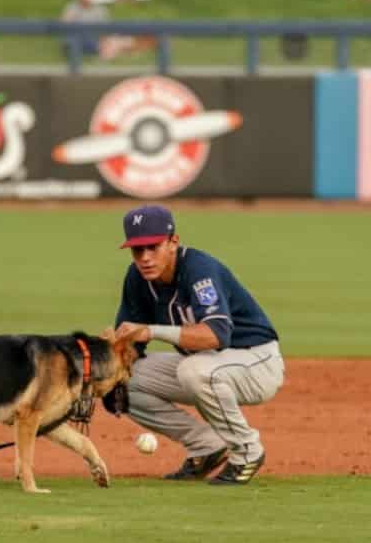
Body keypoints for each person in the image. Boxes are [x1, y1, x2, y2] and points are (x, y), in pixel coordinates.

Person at [109, 204, 285, 485]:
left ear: (173, 242)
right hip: (208, 364)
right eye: (137, 250)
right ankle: (207, 446)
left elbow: (217, 335)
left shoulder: (198, 269)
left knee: (194, 370)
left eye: (153, 247)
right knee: (122, 380)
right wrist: (102, 364)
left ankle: (247, 451)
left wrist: (151, 331)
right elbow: (131, 346)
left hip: (255, 361)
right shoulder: (137, 279)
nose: (145, 257)